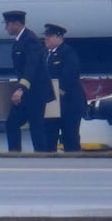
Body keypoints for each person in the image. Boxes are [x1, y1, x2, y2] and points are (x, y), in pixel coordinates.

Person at [3, 10, 55, 152]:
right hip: (28, 92)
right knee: (12, 123)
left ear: (17, 24)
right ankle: (15, 155)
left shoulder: (30, 40)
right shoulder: (20, 40)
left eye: (7, 24)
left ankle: (42, 156)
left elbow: (31, 67)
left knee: (36, 126)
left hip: (36, 92)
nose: (5, 28)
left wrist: (21, 89)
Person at [43, 23, 86, 152]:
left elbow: (70, 75)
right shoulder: (46, 55)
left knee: (70, 138)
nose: (46, 39)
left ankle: (74, 167)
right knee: (49, 138)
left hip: (69, 104)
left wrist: (58, 92)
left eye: (49, 36)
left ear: (59, 37)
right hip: (52, 104)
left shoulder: (67, 53)